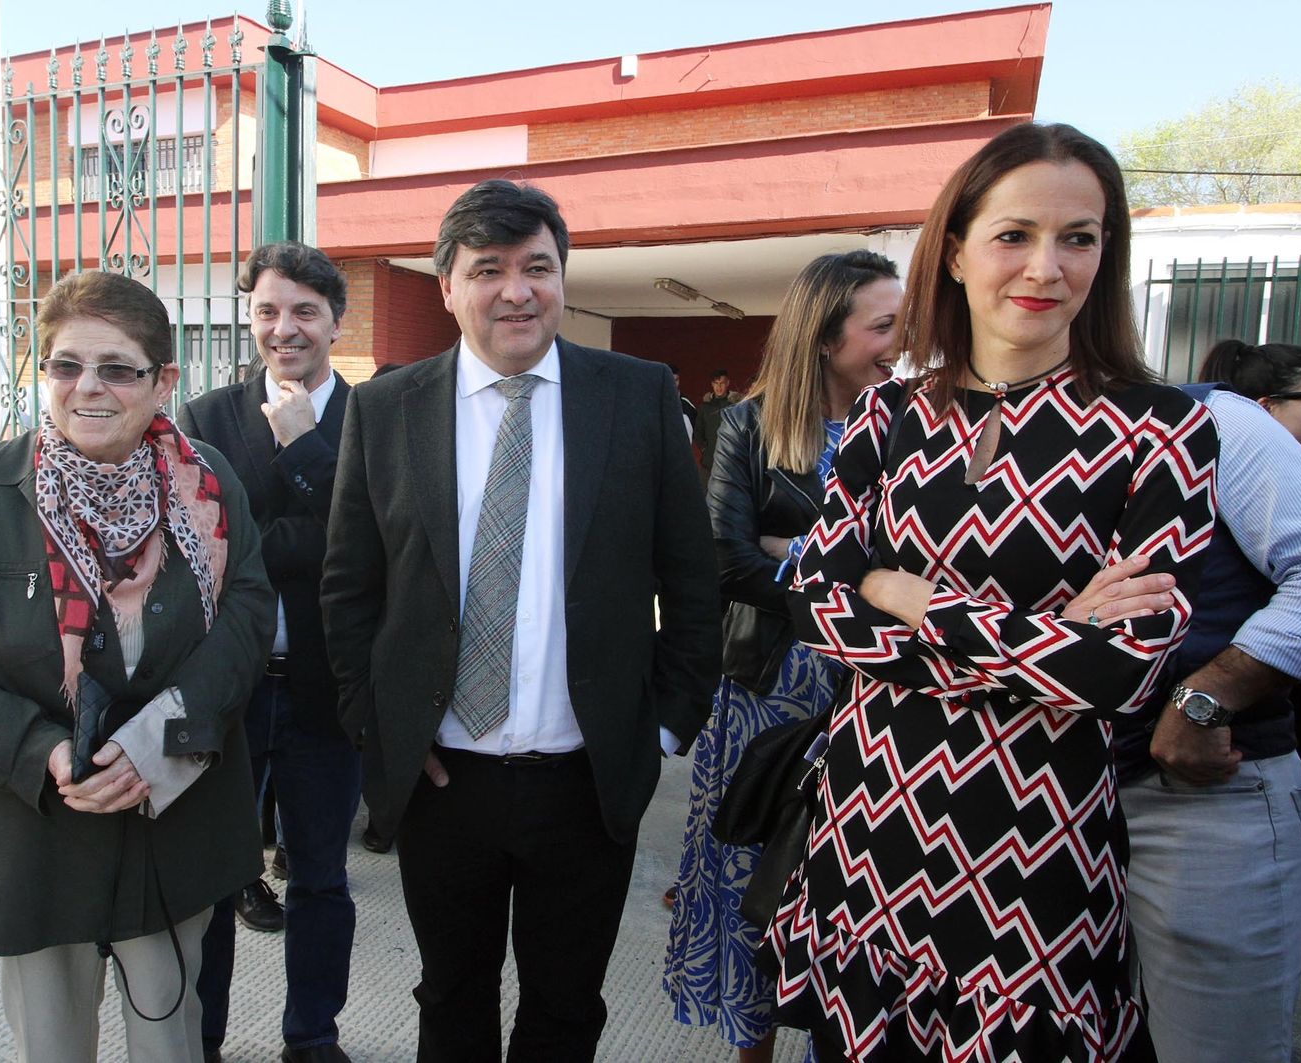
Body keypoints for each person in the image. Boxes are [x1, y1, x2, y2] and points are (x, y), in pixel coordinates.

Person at [767, 122, 1220, 1061]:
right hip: (869, 831)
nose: (1046, 267)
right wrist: (1046, 638)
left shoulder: (1161, 429)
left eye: (1079, 238)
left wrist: (904, 592)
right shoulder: (885, 416)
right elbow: (811, 601)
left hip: (1034, 852)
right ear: (958, 251)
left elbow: (1122, 674)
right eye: (1014, 235)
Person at [321, 178, 721, 1062]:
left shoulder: (638, 394)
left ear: (562, 278)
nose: (517, 289)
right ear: (447, 287)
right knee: (450, 996)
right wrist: (380, 726)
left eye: (538, 266)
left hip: (586, 778)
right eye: (489, 268)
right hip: (443, 778)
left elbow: (692, 577)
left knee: (566, 1004)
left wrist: (658, 726)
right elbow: (349, 589)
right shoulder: (386, 409)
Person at [0, 271, 274, 1062]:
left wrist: (161, 735)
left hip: (175, 819)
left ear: (163, 380)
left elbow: (248, 617)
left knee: (171, 1040)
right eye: (66, 365)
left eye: (118, 367)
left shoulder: (210, 483)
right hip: (36, 830)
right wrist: (42, 751)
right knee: (53, 1046)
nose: (88, 386)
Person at [662, 251, 902, 1063]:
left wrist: (791, 548)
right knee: (753, 888)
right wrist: (855, 578)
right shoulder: (751, 425)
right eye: (884, 325)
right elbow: (724, 559)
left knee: (855, 890)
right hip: (771, 690)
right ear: (828, 335)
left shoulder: (916, 426)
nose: (899, 342)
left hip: (881, 695)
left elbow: (938, 568)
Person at [1110, 337, 1301, 1063]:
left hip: (1195, 799)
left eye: (1079, 241)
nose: (1042, 272)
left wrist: (1204, 698)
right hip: (1047, 807)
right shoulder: (949, 435)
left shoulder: (1214, 421)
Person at [178, 240, 360, 1063]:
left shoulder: (374, 417)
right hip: (231, 690)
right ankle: (204, 1037)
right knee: (216, 881)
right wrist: (308, 534)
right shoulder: (207, 417)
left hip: (327, 692)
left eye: (303, 312)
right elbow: (208, 547)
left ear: (334, 320)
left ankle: (311, 1037)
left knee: (320, 879)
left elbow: (368, 546)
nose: (283, 329)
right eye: (266, 312)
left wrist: (301, 446)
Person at [694, 368, 740, 481]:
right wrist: (705, 449)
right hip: (709, 463)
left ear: (728, 383)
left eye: (722, 383)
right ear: (712, 384)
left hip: (731, 462)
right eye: (716, 383)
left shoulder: (736, 406)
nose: (719, 387)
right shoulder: (705, 407)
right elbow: (698, 431)